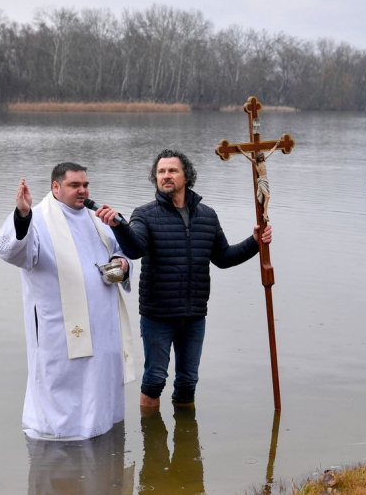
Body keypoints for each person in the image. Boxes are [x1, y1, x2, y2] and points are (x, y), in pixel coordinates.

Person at [95, 149, 272, 408]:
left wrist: (255, 242)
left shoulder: (207, 215)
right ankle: (153, 442)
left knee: (188, 382)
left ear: (186, 176)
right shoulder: (145, 214)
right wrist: (119, 225)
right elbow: (136, 249)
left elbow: (223, 257)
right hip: (158, 314)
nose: (166, 176)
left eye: (172, 171)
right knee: (154, 380)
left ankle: (185, 442)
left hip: (194, 314)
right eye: (161, 172)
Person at [0, 162, 135, 440]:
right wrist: (22, 214)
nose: (82, 191)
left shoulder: (97, 219)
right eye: (75, 185)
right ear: (56, 187)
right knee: (62, 395)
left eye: (85, 185)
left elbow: (121, 251)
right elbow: (12, 253)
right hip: (59, 330)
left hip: (103, 326)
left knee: (100, 390)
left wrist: (121, 264)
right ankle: (59, 449)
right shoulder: (37, 219)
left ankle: (100, 433)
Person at [237, 144, 279, 222]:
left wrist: (276, 146)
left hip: (266, 180)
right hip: (262, 181)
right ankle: (265, 214)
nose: (260, 159)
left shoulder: (264, 159)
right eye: (259, 158)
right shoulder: (255, 162)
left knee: (267, 197)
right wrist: (241, 150)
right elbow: (247, 156)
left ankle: (265, 214)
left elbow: (271, 152)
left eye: (261, 158)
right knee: (268, 196)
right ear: (257, 158)